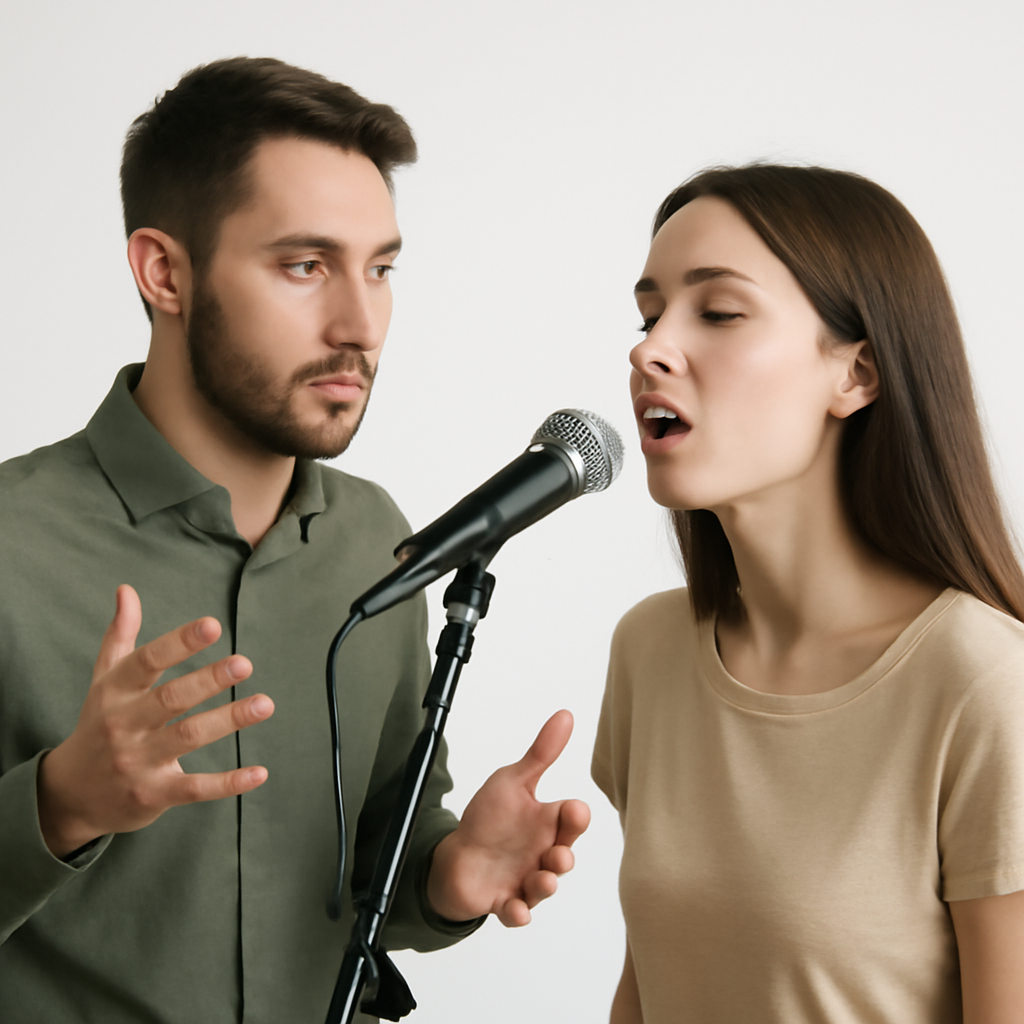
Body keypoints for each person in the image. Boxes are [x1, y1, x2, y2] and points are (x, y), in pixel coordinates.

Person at [0, 57, 589, 1024]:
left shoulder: (376, 538)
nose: (360, 324)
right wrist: (59, 804)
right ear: (164, 272)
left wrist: (447, 875)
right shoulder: (12, 543)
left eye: (381, 268)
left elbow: (371, 858)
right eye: (305, 265)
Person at [592, 164, 1024, 1023]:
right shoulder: (652, 651)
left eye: (719, 312)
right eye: (649, 316)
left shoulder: (985, 683)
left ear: (856, 374)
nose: (649, 350)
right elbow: (652, 984)